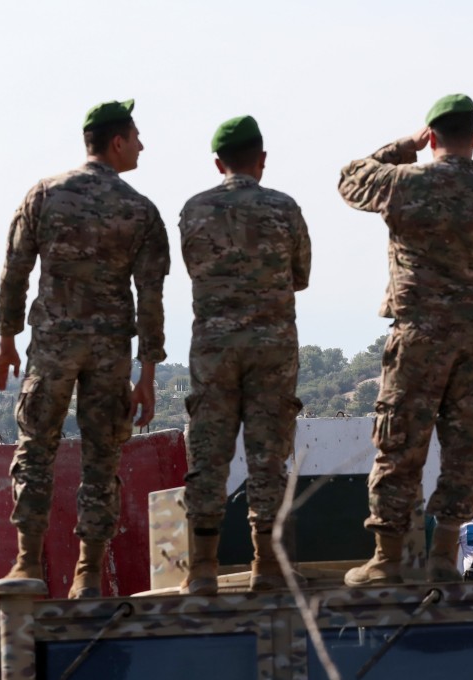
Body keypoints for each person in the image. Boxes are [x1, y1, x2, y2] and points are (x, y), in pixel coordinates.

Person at [337, 94, 473, 585]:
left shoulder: (404, 183)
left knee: (399, 442)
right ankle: (445, 557)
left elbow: (349, 180)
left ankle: (386, 559)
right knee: (462, 448)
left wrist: (401, 147)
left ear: (431, 139)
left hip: (418, 336)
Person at [0, 99, 169, 598]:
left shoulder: (45, 194)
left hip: (52, 345)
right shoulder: (140, 210)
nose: (141, 145)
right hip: (109, 352)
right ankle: (88, 574)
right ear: (117, 142)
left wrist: (7, 340)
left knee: (35, 448)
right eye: (136, 136)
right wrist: (147, 374)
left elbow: (15, 271)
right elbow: (150, 297)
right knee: (102, 459)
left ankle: (27, 562)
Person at [178, 115, 311, 595]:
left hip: (213, 350)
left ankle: (202, 570)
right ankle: (267, 567)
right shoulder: (284, 208)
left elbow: (195, 269)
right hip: (271, 348)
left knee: (209, 457)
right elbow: (300, 274)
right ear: (262, 159)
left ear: (218, 163)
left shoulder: (194, 210)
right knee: (268, 458)